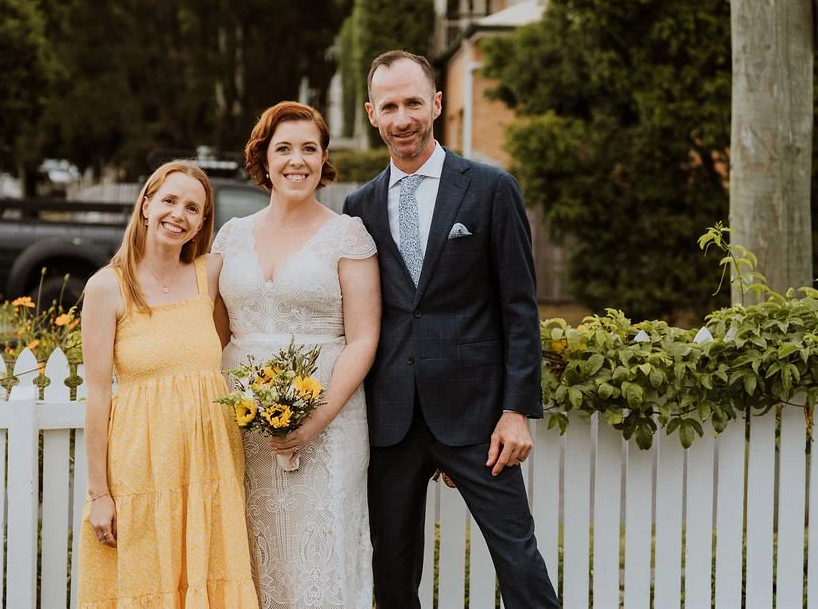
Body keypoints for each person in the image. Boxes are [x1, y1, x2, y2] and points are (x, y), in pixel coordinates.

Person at [343, 50, 559, 608]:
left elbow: (518, 307)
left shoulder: (490, 188)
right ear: (371, 113)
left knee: (519, 559)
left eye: (414, 102)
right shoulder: (358, 207)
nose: (403, 118)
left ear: (437, 103)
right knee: (391, 573)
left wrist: (516, 410)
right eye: (389, 105)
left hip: (478, 416)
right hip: (390, 420)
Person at [212, 101, 381, 608]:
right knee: (249, 548)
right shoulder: (231, 234)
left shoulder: (347, 235)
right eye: (283, 148)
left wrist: (315, 420)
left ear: (324, 158)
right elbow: (212, 333)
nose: (296, 160)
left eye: (309, 148)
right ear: (263, 158)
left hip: (329, 420)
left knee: (323, 555)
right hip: (241, 423)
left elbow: (364, 339)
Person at [77, 161, 259, 608]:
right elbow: (98, 395)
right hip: (142, 463)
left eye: (193, 208)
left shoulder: (210, 275)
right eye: (170, 200)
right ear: (146, 206)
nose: (178, 213)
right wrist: (100, 494)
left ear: (201, 224)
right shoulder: (107, 288)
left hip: (209, 461)